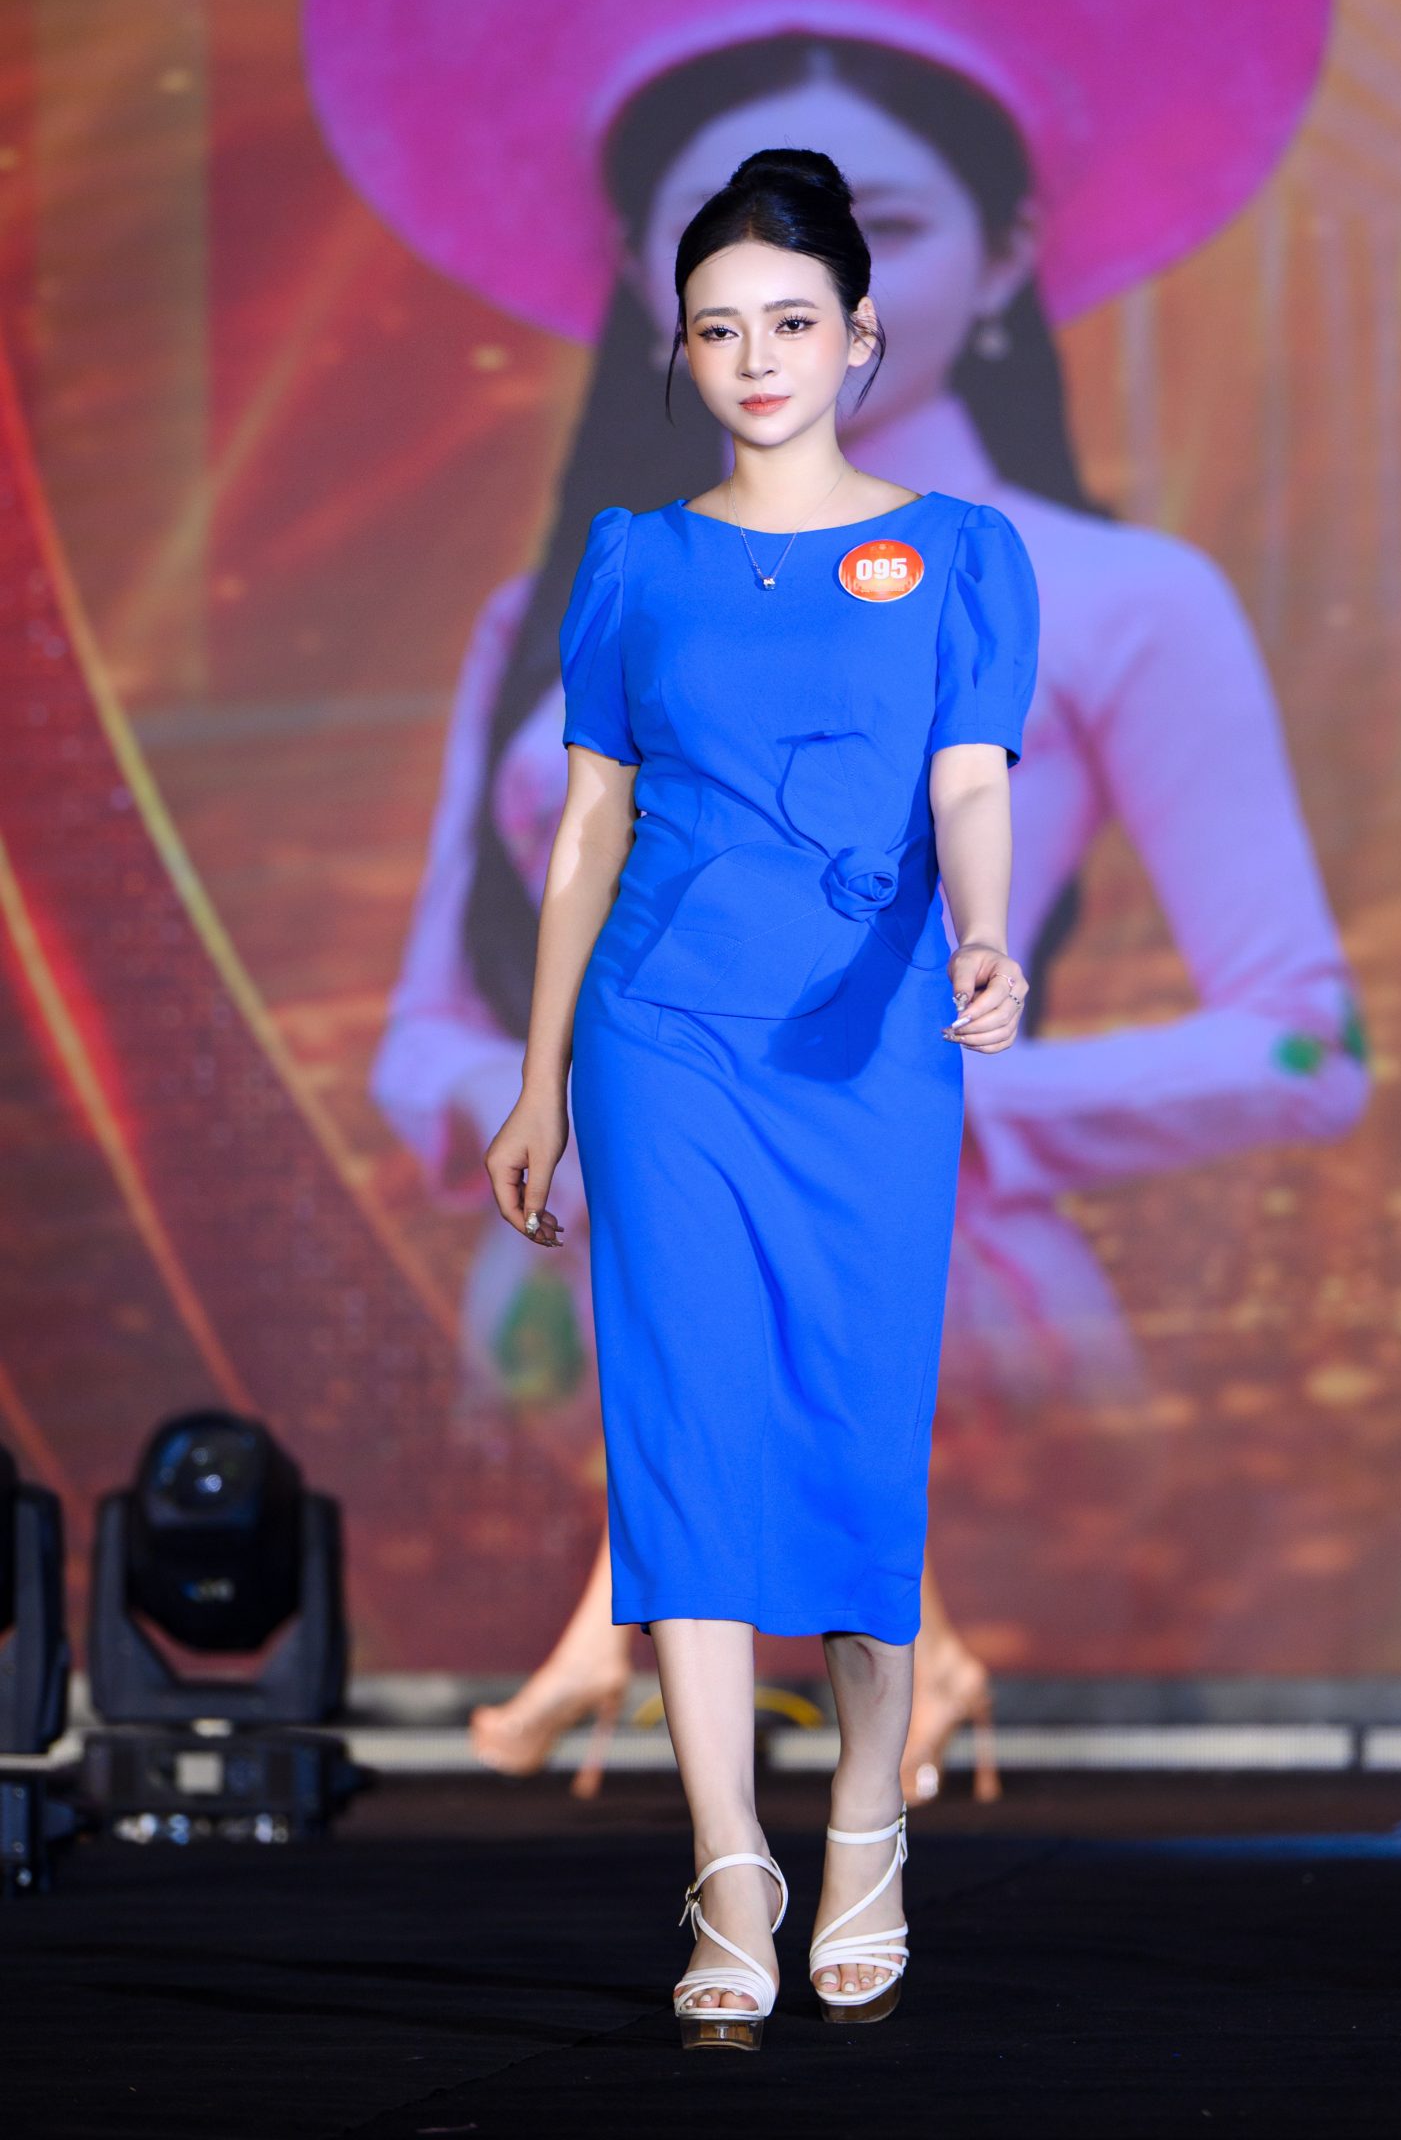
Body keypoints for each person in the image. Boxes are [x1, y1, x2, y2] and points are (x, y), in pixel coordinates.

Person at [307, 0, 1369, 1813]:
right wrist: (543, 1105)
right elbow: (427, 1022)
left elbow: (1305, 1044)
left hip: (937, 1250)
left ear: (997, 252)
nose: (795, 318)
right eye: (733, 271)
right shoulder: (582, 591)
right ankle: (720, 1747)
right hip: (580, 1261)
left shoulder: (1104, 595)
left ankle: (785, 1721)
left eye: (871, 240)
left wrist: (960, 1107)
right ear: (660, 287)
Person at [482, 144, 1039, 2044]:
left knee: (858, 1438)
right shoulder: (635, 559)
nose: (756, 359)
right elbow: (588, 830)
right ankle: (731, 1870)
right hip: (659, 1043)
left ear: (861, 336)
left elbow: (969, 777)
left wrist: (986, 933)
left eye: (791, 323)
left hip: (866, 1050)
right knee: (685, 1443)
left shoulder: (961, 552)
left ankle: (867, 1819)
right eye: (717, 329)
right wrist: (541, 1080)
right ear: (681, 348)